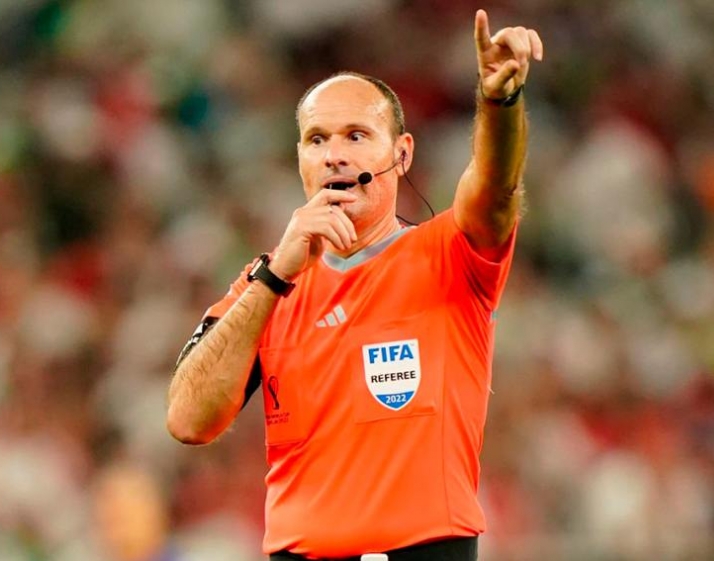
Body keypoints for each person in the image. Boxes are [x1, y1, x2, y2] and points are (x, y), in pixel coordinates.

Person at [167, 10, 543, 561]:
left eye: (356, 135)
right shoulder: (265, 284)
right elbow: (187, 421)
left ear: (401, 154)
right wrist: (274, 277)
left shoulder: (448, 253)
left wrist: (499, 103)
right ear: (301, 159)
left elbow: (495, 190)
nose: (334, 154)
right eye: (316, 139)